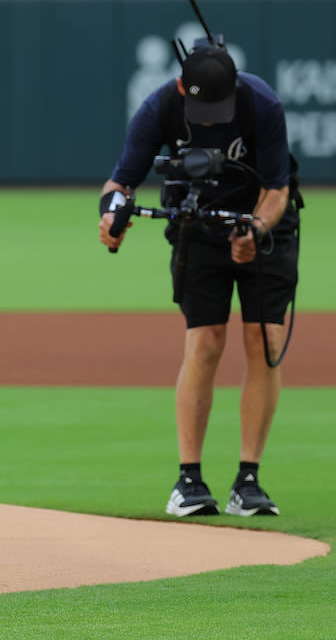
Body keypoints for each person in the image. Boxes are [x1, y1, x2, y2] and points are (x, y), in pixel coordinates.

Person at [98, 42, 301, 518]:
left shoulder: (261, 103)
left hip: (267, 226)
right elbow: (120, 184)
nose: (209, 119)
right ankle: (189, 479)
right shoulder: (161, 106)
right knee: (205, 341)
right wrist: (112, 217)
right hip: (198, 230)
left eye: (218, 108)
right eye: (200, 108)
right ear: (179, 90)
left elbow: (277, 188)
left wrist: (255, 228)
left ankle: (247, 481)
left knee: (264, 340)